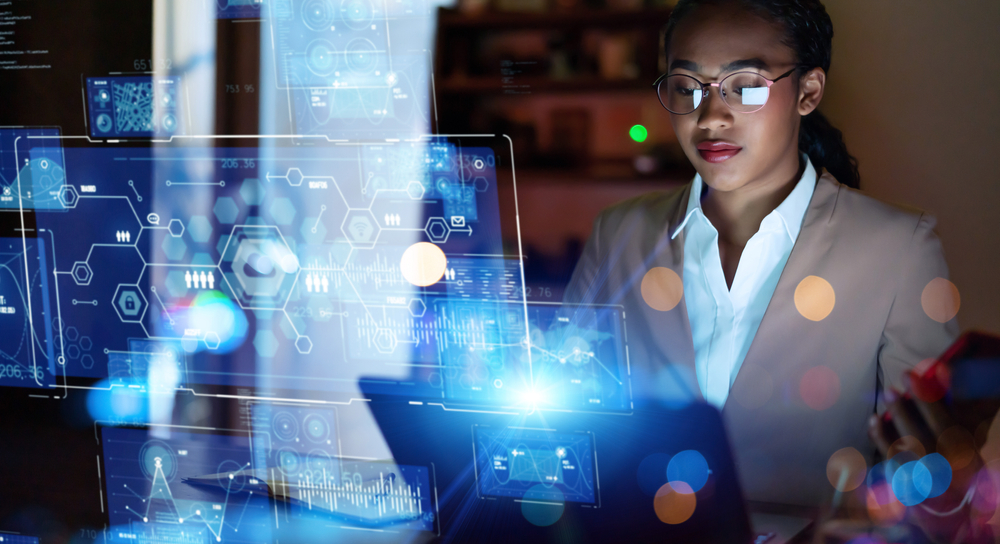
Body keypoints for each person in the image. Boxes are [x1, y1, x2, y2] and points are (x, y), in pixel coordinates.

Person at [563, 0, 962, 513]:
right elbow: (570, 425)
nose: (711, 117)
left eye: (746, 85)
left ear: (809, 92)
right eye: (688, 88)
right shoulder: (619, 234)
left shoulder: (897, 249)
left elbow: (929, 484)